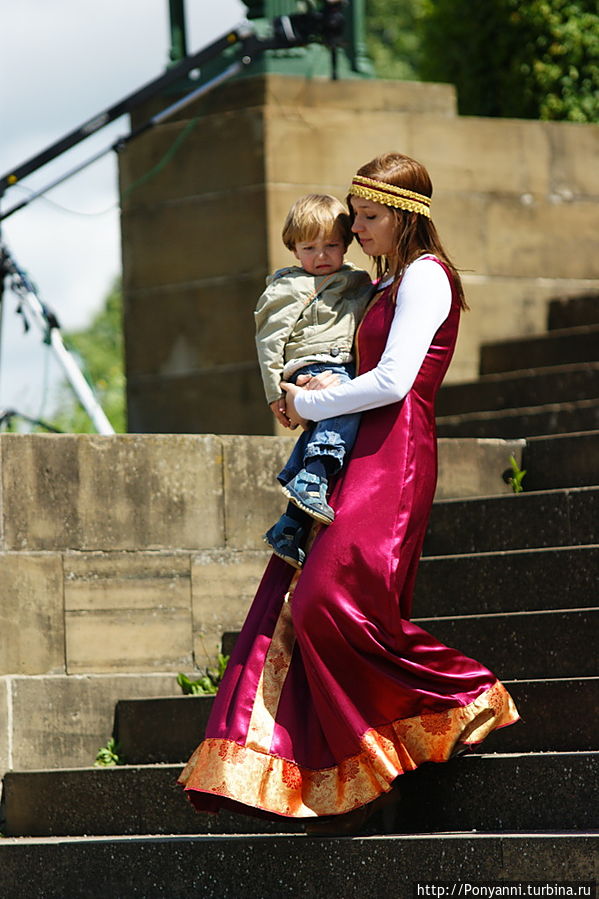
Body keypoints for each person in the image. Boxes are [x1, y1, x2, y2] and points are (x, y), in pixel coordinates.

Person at [179, 152, 519, 835]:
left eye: (367, 218)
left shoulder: (425, 276)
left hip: (395, 452)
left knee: (327, 599)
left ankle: (462, 691)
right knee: (313, 604)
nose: (355, 230)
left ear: (404, 216)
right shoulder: (386, 281)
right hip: (362, 448)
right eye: (354, 216)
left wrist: (310, 404)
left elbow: (394, 381)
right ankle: (361, 774)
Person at [255, 193, 373, 568]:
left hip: (340, 363)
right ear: (293, 248)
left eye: (331, 246)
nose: (321, 256)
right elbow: (270, 340)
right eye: (310, 247)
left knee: (325, 423)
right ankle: (313, 477)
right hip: (312, 365)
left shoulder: (356, 280)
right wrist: (276, 392)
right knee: (345, 399)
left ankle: (290, 525)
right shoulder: (288, 288)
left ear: (346, 244)